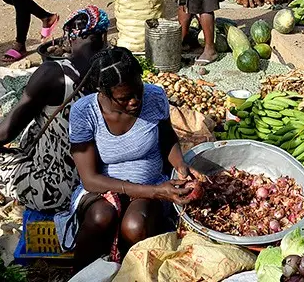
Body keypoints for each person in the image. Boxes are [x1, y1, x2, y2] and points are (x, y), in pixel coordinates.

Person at [0, 6, 108, 249]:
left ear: (70, 37)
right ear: (103, 37)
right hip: (96, 179)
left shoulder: (55, 74)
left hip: (55, 188)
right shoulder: (115, 68)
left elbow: (5, 133)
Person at [54, 45, 200, 268]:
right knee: (101, 217)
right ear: (103, 93)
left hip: (149, 182)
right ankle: (80, 273)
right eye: (124, 98)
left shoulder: (154, 96)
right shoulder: (85, 112)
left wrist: (181, 166)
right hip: (102, 188)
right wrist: (155, 192)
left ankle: (131, 271)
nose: (135, 101)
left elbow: (167, 138)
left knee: (134, 226)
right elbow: (90, 179)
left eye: (137, 91)